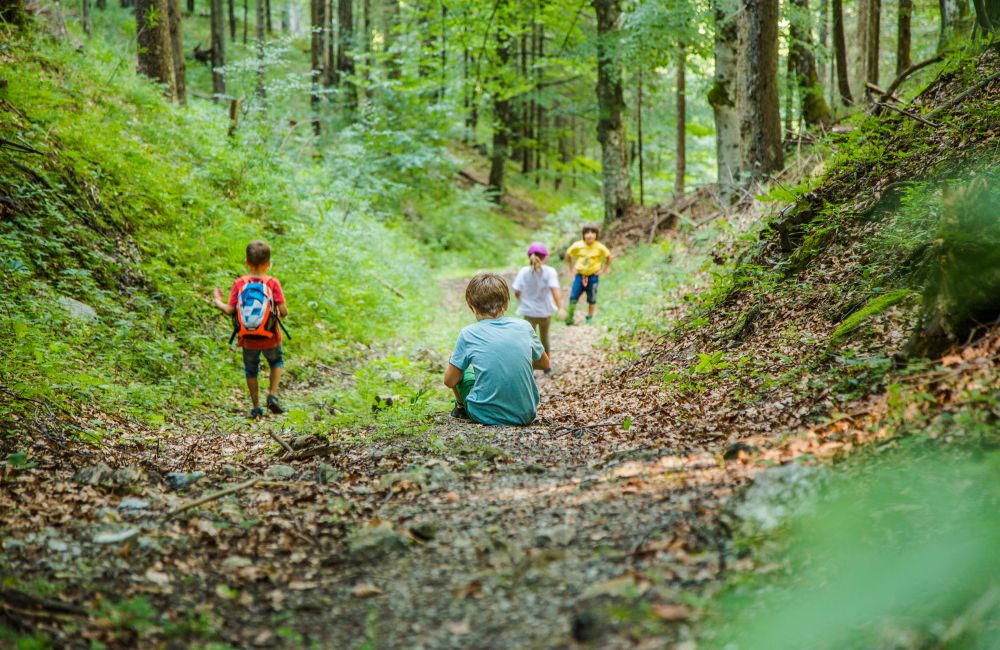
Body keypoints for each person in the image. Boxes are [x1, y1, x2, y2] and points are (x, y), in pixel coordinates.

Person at [444, 272, 550, 425]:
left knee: (457, 361)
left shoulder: (468, 334)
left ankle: (461, 408)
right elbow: (544, 364)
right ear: (506, 303)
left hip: (482, 414)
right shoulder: (524, 327)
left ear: (471, 307)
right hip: (525, 415)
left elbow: (449, 381)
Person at [212, 240, 289, 419]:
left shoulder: (240, 283)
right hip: (271, 337)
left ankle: (256, 407)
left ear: (247, 261)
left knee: (251, 370)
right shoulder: (273, 283)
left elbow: (230, 310)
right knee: (276, 362)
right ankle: (273, 395)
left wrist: (217, 301)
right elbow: (283, 312)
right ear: (268, 263)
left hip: (248, 339)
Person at [512, 242, 565, 376]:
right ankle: (546, 367)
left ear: (529, 256)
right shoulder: (550, 271)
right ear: (545, 257)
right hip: (544, 312)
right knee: (544, 339)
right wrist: (561, 308)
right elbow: (555, 291)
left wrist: (523, 301)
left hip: (528, 313)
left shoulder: (523, 271)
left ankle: (531, 369)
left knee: (529, 341)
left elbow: (516, 292)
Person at [565, 222, 612, 325]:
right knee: (573, 296)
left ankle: (589, 318)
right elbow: (568, 254)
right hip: (579, 276)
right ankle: (570, 317)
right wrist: (571, 268)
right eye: (587, 232)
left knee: (592, 297)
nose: (590, 235)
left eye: (592, 232)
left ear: (596, 234)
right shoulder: (578, 245)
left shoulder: (599, 247)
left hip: (593, 277)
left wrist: (603, 270)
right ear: (583, 234)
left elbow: (609, 257)